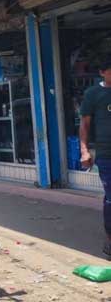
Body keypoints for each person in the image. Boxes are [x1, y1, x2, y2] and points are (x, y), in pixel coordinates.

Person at [80, 59, 111, 258]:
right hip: (107, 155)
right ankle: (110, 240)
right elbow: (85, 125)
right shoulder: (93, 94)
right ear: (102, 72)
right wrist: (84, 150)